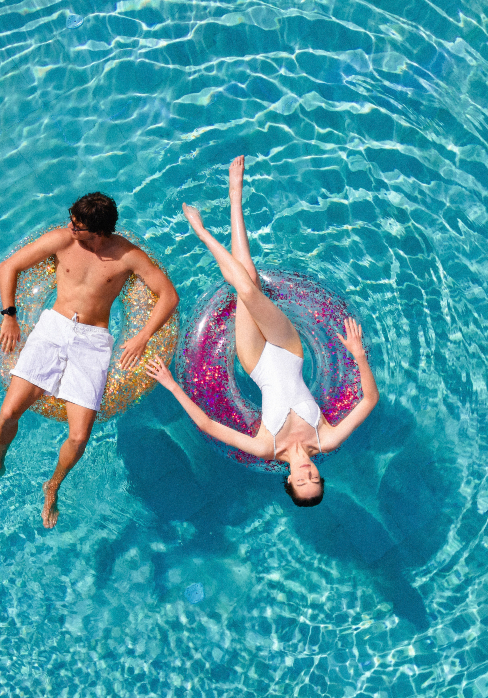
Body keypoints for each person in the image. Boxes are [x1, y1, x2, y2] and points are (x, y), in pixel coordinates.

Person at [144, 156, 378, 507]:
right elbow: (370, 400)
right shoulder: (326, 439)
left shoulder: (266, 448)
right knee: (249, 287)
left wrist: (171, 384)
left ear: (289, 481)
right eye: (314, 478)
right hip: (289, 349)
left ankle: (217, 215)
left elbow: (208, 426)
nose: (307, 473)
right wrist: (358, 355)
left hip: (254, 360)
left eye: (301, 481)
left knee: (248, 283)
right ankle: (216, 216)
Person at [0, 192, 179, 529]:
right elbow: (9, 266)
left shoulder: (128, 256)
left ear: (98, 231)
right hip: (53, 328)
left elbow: (169, 296)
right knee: (8, 412)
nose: (70, 227)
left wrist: (142, 337)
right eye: (72, 220)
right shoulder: (62, 239)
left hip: (93, 342)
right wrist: (9, 315)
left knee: (79, 437)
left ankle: (53, 485)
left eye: (78, 225)